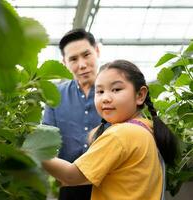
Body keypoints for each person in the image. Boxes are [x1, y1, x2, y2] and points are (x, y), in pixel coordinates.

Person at [42, 60, 178, 200]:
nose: (105, 98)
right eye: (99, 91)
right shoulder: (148, 129)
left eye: (116, 89)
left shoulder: (121, 134)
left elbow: (71, 176)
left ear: (140, 95)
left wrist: (33, 151)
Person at [42, 28, 102, 199]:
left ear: (97, 51)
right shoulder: (54, 96)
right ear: (64, 63)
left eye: (86, 55)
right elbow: (47, 142)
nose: (82, 65)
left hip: (108, 185)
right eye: (73, 59)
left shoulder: (114, 94)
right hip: (68, 188)